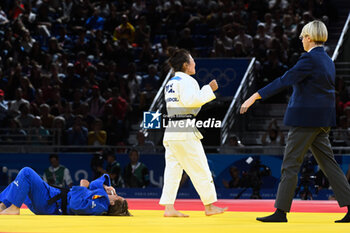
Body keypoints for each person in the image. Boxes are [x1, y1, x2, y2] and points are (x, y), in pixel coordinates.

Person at [240, 20, 350, 223]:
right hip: (323, 120)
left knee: (290, 164)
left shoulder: (309, 59)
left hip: (305, 120)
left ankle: (280, 211)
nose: (301, 41)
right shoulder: (327, 60)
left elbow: (285, 79)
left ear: (309, 37)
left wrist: (255, 95)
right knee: (329, 164)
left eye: (302, 37)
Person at [159, 49, 227, 217]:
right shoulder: (188, 80)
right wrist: (208, 89)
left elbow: (189, 105)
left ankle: (169, 208)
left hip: (172, 130)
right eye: (192, 61)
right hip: (184, 131)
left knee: (173, 170)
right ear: (185, 65)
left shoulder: (171, 82)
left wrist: (203, 95)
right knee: (200, 167)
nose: (195, 63)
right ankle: (209, 206)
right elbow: (191, 102)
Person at [0, 167, 131, 216]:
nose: (116, 194)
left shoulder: (100, 205)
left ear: (113, 204)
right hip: (51, 199)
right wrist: (104, 185)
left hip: (50, 203)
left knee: (26, 172)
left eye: (118, 197)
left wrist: (83, 187)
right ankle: (2, 206)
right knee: (20, 183)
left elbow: (75, 205)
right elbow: (93, 185)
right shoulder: (101, 198)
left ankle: (14, 208)